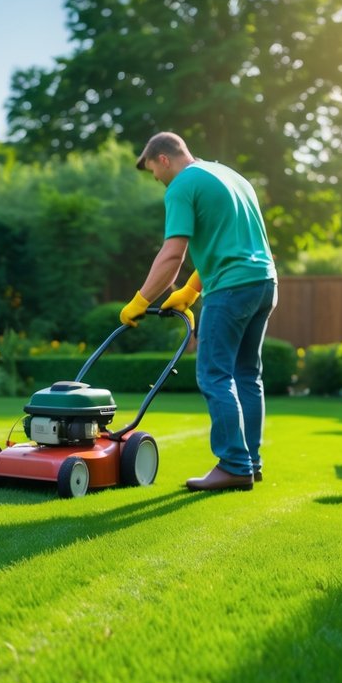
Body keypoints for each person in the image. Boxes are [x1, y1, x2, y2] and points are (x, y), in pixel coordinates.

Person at [120, 131, 277, 492]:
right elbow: (229, 243)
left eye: (154, 173)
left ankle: (234, 466)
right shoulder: (231, 177)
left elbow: (172, 255)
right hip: (264, 283)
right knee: (247, 376)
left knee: (214, 375)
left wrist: (141, 300)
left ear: (163, 159)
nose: (157, 182)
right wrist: (191, 290)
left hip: (231, 289)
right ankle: (250, 463)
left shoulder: (181, 185)